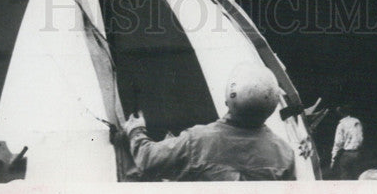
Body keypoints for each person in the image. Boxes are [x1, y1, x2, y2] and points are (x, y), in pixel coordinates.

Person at [122, 62, 296, 181]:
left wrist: (135, 130)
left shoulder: (198, 141)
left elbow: (148, 160)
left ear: (230, 96)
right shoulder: (284, 154)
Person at [330, 104, 363, 179]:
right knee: (357, 177)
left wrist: (333, 158)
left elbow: (338, 142)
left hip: (347, 154)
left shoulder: (341, 124)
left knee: (345, 176)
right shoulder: (356, 121)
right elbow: (360, 137)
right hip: (358, 153)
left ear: (340, 113)